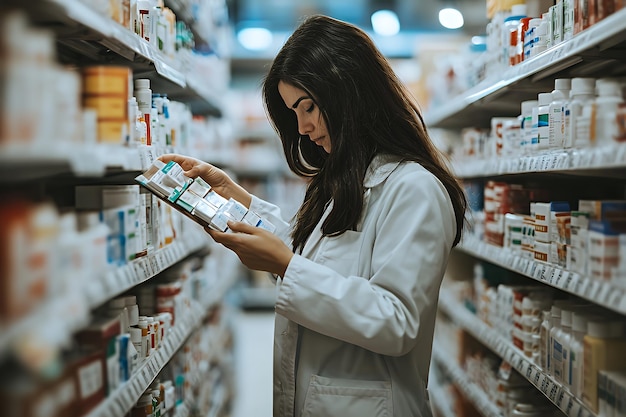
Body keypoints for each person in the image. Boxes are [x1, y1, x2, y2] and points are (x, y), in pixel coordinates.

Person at [161, 14, 467, 417]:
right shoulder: (345, 179)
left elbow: (397, 321)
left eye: (308, 106)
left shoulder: (415, 189)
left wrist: (287, 267)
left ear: (349, 91)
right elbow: (321, 262)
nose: (302, 127)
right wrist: (239, 202)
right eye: (294, 111)